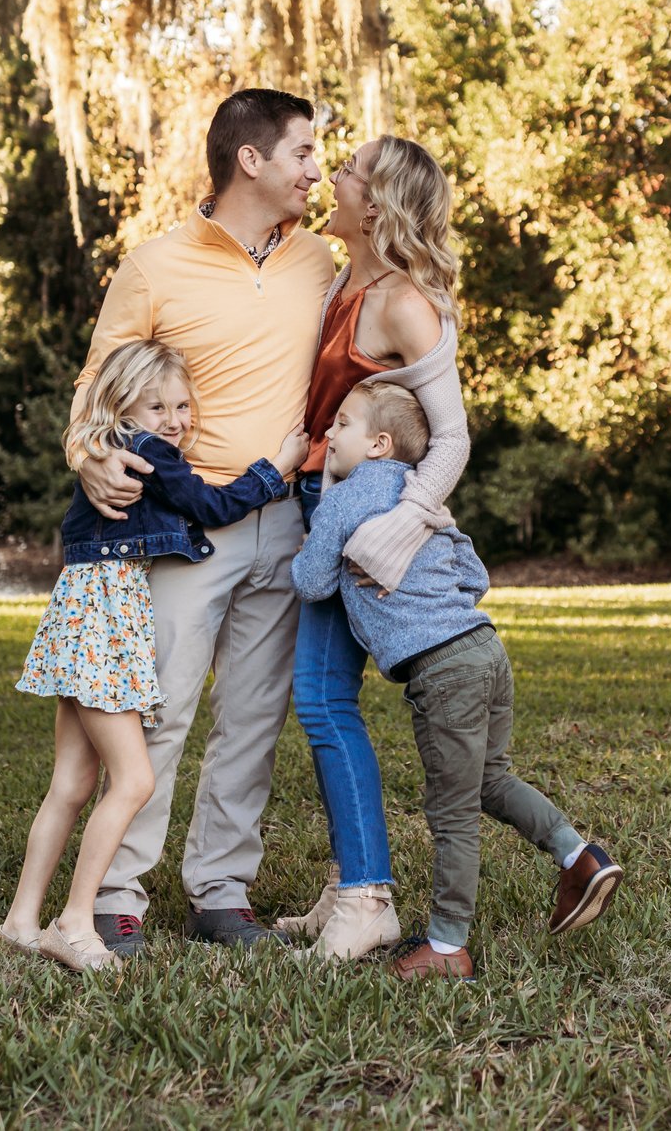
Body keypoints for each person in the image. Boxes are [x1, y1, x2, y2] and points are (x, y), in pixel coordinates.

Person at [69, 88, 338, 954]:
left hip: (288, 522)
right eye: (302, 152)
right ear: (250, 160)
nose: (315, 168)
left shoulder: (320, 263)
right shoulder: (154, 264)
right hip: (186, 525)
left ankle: (221, 892)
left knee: (254, 719)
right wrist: (88, 454)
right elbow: (94, 388)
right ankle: (116, 893)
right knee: (163, 709)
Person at [292, 381, 623, 982]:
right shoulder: (426, 500)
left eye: (341, 424)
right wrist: (434, 597)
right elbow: (474, 572)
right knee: (490, 780)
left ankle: (447, 947)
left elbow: (311, 583)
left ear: (377, 444)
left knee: (452, 815)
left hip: (442, 670)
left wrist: (321, 530)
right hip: (484, 648)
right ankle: (579, 855)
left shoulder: (345, 499)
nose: (328, 434)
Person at [0, 340, 308, 972]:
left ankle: (20, 920)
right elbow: (211, 506)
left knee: (72, 783)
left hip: (82, 618)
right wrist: (277, 467)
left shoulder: (116, 447)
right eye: (157, 405)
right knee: (135, 779)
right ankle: (76, 920)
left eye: (183, 405)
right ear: (123, 407)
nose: (175, 419)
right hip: (106, 625)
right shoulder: (149, 454)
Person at [275, 136, 471, 960]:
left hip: (362, 516)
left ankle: (368, 897)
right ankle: (349, 880)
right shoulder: (334, 279)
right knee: (320, 699)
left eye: (347, 168)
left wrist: (398, 527)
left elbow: (453, 438)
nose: (331, 176)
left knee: (323, 700)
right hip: (318, 499)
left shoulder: (402, 302)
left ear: (380, 201)